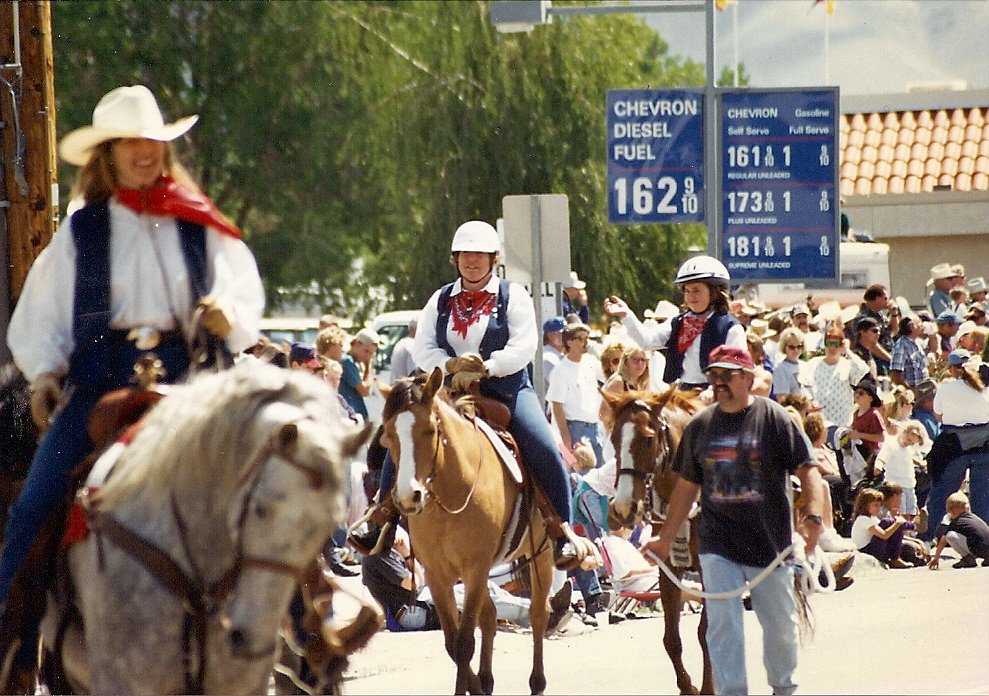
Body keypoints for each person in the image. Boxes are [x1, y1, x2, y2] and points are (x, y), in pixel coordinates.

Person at [0, 85, 265, 615]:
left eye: (152, 141)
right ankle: (10, 641)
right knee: (35, 504)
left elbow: (243, 289)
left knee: (269, 485)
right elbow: (42, 313)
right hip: (102, 380)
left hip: (193, 380)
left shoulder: (198, 221)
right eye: (129, 143)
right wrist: (47, 373)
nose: (144, 152)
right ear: (108, 154)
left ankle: (305, 636)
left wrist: (226, 314)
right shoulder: (81, 230)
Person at [355, 220, 594, 570]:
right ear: (455, 259)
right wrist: (450, 366)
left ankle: (562, 533)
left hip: (506, 388)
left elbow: (524, 345)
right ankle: (382, 516)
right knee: (404, 434)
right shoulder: (440, 299)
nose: (472, 261)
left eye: (479, 255)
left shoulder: (514, 296)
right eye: (465, 254)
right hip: (446, 388)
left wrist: (486, 366)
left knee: (542, 444)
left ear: (493, 259)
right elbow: (423, 347)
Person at [644, 345, 824, 696]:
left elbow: (809, 470)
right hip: (718, 544)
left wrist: (814, 517)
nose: (719, 381)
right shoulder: (700, 426)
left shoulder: (775, 419)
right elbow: (685, 486)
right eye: (714, 375)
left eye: (728, 375)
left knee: (780, 629)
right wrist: (665, 539)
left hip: (770, 544)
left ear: (748, 378)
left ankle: (783, 689)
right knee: (723, 626)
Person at [604, 256, 746, 390]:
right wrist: (626, 314)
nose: (691, 296)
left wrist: (712, 391)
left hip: (716, 394)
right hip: (682, 393)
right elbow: (646, 341)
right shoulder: (678, 322)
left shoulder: (731, 328)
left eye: (697, 290)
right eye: (687, 291)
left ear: (714, 292)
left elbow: (736, 369)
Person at [920, 349, 989, 543]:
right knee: (983, 494)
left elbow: (938, 415)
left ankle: (932, 535)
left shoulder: (945, 388)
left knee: (942, 490)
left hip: (954, 444)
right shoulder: (984, 386)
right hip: (984, 443)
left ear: (951, 368)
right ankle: (983, 538)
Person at [547, 323, 605, 469]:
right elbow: (557, 406)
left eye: (587, 338)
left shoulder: (591, 362)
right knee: (581, 474)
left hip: (594, 426)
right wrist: (566, 438)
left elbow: (608, 375)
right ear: (569, 342)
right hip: (575, 428)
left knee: (599, 471)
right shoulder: (561, 370)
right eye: (581, 339)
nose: (585, 342)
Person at [803, 323, 871, 428]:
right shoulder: (812, 364)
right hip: (819, 422)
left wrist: (847, 351)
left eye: (836, 344)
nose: (832, 348)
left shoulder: (847, 365)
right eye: (829, 343)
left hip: (842, 422)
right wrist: (810, 402)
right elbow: (804, 386)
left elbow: (863, 368)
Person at [850, 489, 913, 569]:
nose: (879, 508)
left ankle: (911, 526)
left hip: (875, 547)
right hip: (867, 550)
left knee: (891, 524)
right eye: (875, 505)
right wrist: (897, 523)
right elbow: (884, 535)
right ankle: (911, 526)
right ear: (865, 505)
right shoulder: (863, 519)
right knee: (887, 522)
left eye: (880, 505)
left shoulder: (873, 518)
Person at [928, 492, 989, 569]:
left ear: (952, 512)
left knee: (950, 535)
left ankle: (967, 558)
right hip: (987, 549)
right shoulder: (975, 518)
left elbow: (943, 540)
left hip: (978, 549)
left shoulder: (956, 522)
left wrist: (936, 558)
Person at [339, 327, 381, 423]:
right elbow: (365, 391)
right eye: (366, 351)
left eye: (371, 354)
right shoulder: (347, 362)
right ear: (357, 343)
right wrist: (368, 366)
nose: (368, 356)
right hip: (352, 418)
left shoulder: (353, 362)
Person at [889, 315, 931, 388]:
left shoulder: (918, 342)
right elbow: (895, 374)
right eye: (919, 323)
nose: (922, 325)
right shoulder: (901, 346)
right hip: (913, 393)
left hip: (923, 392)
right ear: (912, 327)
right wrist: (910, 391)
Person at [387, 318, 419, 383]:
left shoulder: (401, 343)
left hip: (396, 388)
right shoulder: (412, 345)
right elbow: (415, 376)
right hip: (405, 390)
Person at [541, 316, 566, 393]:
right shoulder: (547, 357)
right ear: (550, 335)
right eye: (562, 333)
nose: (567, 336)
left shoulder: (560, 355)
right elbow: (563, 387)